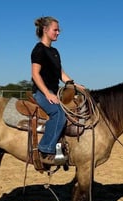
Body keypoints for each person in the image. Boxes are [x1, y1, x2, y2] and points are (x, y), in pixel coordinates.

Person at [31, 16, 82, 165]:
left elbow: (61, 74)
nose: (58, 32)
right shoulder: (39, 50)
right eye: (55, 29)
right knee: (58, 114)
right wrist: (47, 93)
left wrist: (76, 85)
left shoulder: (54, 51)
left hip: (55, 91)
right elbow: (35, 74)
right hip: (41, 92)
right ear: (45, 30)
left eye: (59, 30)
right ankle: (45, 149)